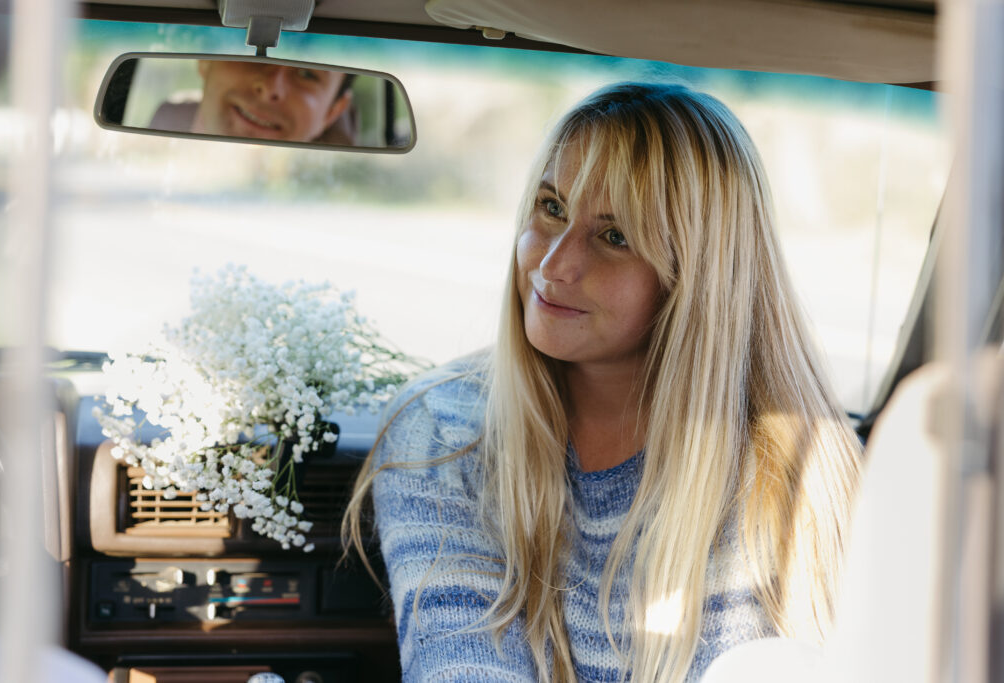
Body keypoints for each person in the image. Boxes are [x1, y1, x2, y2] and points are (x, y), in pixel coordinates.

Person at [343, 82, 862, 682]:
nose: (554, 263)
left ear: (697, 279)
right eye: (551, 208)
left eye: (614, 237)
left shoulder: (795, 473)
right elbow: (460, 660)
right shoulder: (445, 429)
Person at [149, 61, 356, 145]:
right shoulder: (165, 125)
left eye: (307, 74)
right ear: (205, 62)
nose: (270, 87)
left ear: (333, 112)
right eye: (253, 52)